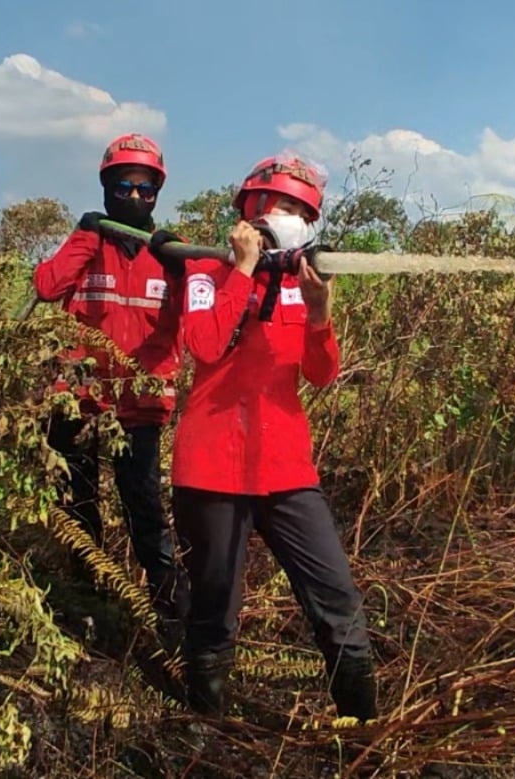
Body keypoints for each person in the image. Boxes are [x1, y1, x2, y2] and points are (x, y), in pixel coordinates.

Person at [150, 155, 378, 722]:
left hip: (286, 470)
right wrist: (244, 270)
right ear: (251, 210)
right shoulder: (206, 273)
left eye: (304, 210)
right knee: (215, 606)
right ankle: (206, 728)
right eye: (284, 205)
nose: (295, 217)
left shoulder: (303, 284)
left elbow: (321, 373)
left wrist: (321, 313)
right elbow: (203, 344)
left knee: (337, 601)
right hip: (209, 469)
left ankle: (366, 731)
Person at [33, 133, 188, 644]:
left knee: (144, 509)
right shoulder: (89, 243)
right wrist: (84, 235)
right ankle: (89, 610)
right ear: (107, 187)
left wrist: (179, 260)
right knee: (78, 509)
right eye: (125, 186)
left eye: (147, 190)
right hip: (78, 401)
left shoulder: (172, 256)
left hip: (140, 408)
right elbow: (47, 287)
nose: (137, 198)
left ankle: (171, 619)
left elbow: (208, 319)